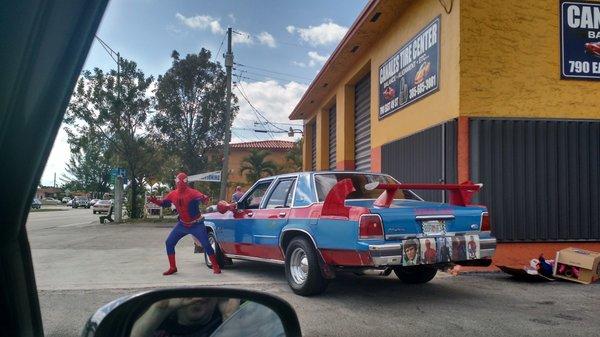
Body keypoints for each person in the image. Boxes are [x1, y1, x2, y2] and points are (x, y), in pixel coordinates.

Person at [148, 172, 221, 275]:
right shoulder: (173, 194)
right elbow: (164, 203)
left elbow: (201, 197)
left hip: (196, 224)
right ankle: (173, 267)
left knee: (206, 244)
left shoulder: (192, 193)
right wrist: (155, 201)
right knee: (169, 242)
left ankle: (215, 266)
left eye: (182, 181)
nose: (180, 183)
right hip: (182, 224)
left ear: (185, 182)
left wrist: (205, 198)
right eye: (179, 181)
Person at [130, 297, 240, 337]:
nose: (197, 298)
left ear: (218, 300)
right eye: (190, 294)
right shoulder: (158, 327)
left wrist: (230, 319)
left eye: (206, 294)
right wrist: (160, 308)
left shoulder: (221, 325)